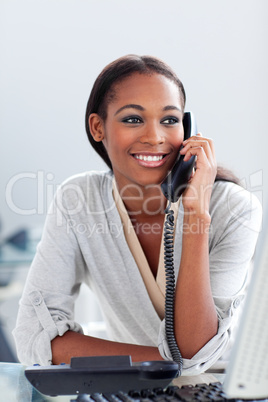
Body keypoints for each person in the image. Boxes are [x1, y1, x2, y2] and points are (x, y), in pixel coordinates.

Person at [13, 55, 262, 375]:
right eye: (133, 119)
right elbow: (33, 339)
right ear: (98, 127)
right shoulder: (78, 201)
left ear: (188, 130)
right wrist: (171, 364)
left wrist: (197, 216)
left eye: (169, 120)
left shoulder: (235, 208)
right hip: (137, 387)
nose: (155, 137)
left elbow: (198, 350)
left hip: (229, 388)